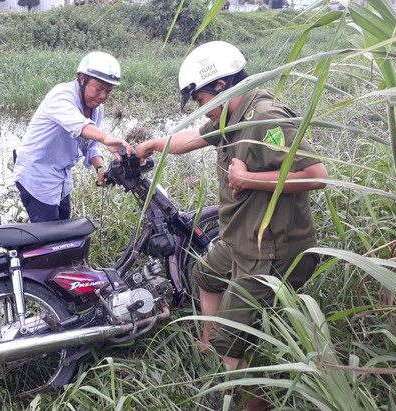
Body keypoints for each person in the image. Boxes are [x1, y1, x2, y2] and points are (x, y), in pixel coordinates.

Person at [134, 41, 328, 410]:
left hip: (270, 248)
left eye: (200, 97)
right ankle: (213, 347)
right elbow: (191, 138)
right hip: (240, 238)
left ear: (221, 86)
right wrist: (150, 146)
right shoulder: (229, 114)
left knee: (235, 338)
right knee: (206, 275)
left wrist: (251, 180)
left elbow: (316, 176)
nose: (198, 107)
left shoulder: (265, 116)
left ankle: (239, 394)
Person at [13, 51, 133, 222]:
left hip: (61, 176)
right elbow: (79, 126)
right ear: (82, 79)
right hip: (37, 174)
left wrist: (100, 168)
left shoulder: (96, 108)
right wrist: (106, 138)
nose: (103, 96)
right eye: (99, 88)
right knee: (47, 237)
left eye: (108, 91)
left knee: (64, 230)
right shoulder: (61, 96)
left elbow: (90, 145)